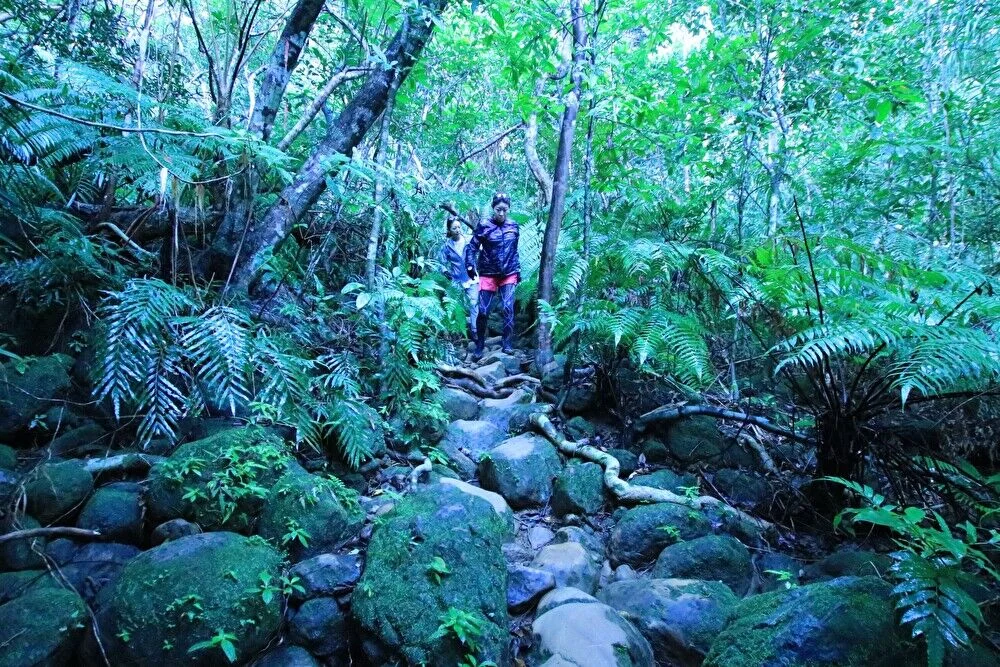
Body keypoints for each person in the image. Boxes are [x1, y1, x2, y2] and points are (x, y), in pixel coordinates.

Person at [465, 192, 520, 359]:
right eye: (498, 209)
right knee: (483, 311)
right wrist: (469, 265)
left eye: (504, 209)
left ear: (508, 209)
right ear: (493, 209)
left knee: (508, 308)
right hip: (488, 272)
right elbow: (472, 247)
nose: (501, 213)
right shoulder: (484, 225)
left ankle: (507, 343)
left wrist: (518, 271)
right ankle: (480, 344)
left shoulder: (514, 226)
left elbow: (514, 251)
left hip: (508, 272)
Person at [438, 216, 479, 340]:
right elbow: (440, 262)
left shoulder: (469, 240)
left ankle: (475, 330)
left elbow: (481, 249)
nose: (457, 230)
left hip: (472, 278)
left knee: (474, 303)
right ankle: (455, 333)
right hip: (456, 280)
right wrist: (445, 271)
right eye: (454, 228)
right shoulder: (447, 246)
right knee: (455, 306)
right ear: (449, 230)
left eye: (459, 227)